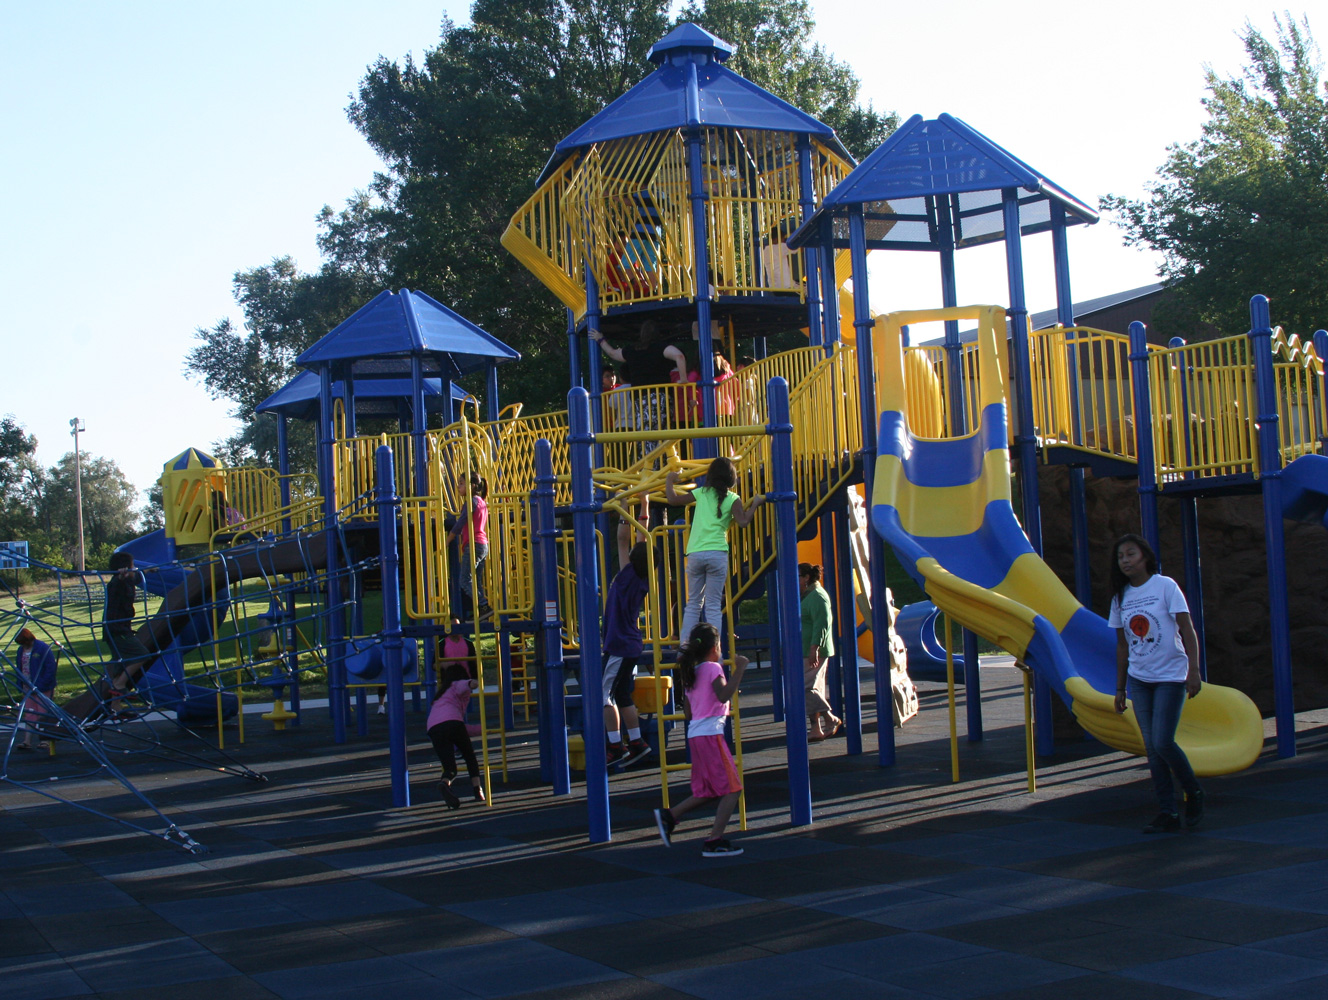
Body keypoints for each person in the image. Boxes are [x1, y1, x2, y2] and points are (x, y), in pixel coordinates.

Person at [1109, 533, 1204, 834]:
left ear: (1145, 557)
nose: (1125, 560)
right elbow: (1122, 646)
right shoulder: (1120, 597)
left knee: (1163, 741)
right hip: (1139, 678)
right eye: (1121, 556)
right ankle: (1168, 812)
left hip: (1170, 676)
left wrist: (1194, 670)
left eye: (1131, 554)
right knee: (1152, 748)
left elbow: (1186, 628)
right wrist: (1120, 687)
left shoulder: (1165, 586)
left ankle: (1194, 792)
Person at [653, 623, 747, 857]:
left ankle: (670, 815)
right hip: (709, 735)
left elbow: (688, 713)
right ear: (715, 647)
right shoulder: (714, 668)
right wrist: (740, 670)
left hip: (695, 734)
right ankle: (714, 840)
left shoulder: (691, 672)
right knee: (733, 789)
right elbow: (723, 694)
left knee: (708, 789)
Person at [665, 457, 765, 642]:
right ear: (731, 478)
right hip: (717, 553)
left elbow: (672, 500)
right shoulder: (733, 499)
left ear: (711, 476)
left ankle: (685, 646)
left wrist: (670, 480)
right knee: (712, 606)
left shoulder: (702, 493)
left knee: (693, 604)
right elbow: (743, 522)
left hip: (695, 552)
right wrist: (755, 504)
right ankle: (714, 650)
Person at [601, 542, 654, 767]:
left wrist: (623, 508)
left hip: (620, 646)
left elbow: (622, 536)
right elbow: (642, 538)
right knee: (622, 694)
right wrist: (643, 506)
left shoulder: (627, 575)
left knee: (603, 694)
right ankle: (636, 742)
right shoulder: (643, 577)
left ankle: (615, 745)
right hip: (628, 644)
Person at [427, 624, 484, 809]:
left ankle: (445, 783)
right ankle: (478, 791)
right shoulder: (458, 686)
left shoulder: (440, 696)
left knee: (449, 766)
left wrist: (479, 730)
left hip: (434, 728)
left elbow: (457, 725)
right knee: (469, 756)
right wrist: (473, 682)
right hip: (452, 723)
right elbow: (464, 684)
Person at [101, 551, 148, 713]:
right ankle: (120, 684)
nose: (135, 568)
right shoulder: (118, 582)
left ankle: (115, 707)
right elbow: (117, 586)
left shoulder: (129, 579)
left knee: (120, 664)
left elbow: (138, 577)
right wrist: (121, 577)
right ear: (125, 569)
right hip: (117, 629)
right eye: (132, 566)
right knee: (141, 654)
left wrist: (149, 571)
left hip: (117, 629)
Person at [800, 564, 842, 740]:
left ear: (807, 577)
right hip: (805, 648)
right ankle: (815, 727)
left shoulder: (817, 596)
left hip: (813, 649)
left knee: (806, 688)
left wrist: (814, 648)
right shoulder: (807, 595)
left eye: (798, 576)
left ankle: (830, 717)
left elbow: (822, 623)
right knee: (813, 688)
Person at [448, 472, 490, 618]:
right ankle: (483, 610)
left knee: (464, 580)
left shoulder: (471, 502)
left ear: (471, 486)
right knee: (475, 580)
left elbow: (461, 522)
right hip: (483, 544)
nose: (458, 486)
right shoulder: (481, 501)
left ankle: (483, 605)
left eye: (461, 483)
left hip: (474, 544)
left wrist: (449, 539)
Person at [13, 628, 57, 750]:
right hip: (27, 686)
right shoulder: (21, 650)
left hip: (41, 686)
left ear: (28, 639)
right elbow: (19, 667)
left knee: (43, 712)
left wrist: (41, 684)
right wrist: (20, 684)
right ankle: (27, 740)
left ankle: (45, 739)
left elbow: (50, 668)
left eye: (24, 643)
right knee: (30, 713)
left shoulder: (42, 648)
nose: (23, 646)